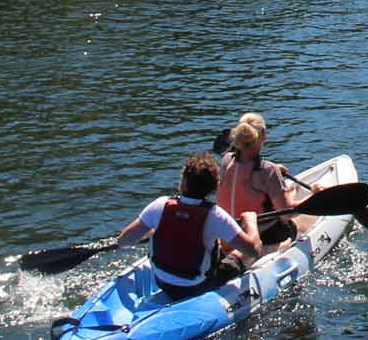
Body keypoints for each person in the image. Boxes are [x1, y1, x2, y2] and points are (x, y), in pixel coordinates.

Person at [114, 152, 265, 302]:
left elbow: (124, 241)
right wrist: (250, 222)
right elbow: (253, 250)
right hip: (197, 286)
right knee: (243, 253)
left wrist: (153, 232)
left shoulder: (160, 205)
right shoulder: (216, 216)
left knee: (214, 245)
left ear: (184, 183)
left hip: (161, 281)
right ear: (214, 187)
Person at [221, 113, 311, 247]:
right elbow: (286, 213)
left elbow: (246, 167)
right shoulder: (268, 170)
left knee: (284, 195)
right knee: (293, 225)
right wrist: (315, 195)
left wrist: (274, 168)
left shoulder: (226, 160)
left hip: (230, 233)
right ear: (264, 135)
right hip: (265, 236)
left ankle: (289, 193)